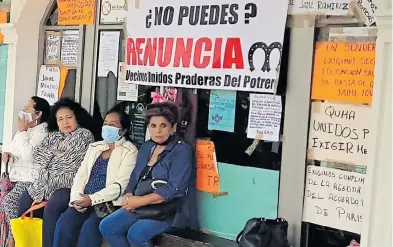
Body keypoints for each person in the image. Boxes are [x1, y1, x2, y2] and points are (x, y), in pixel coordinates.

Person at [99, 102, 193, 247]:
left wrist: (138, 201)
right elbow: (135, 176)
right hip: (141, 204)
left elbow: (174, 188)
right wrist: (129, 195)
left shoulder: (182, 150)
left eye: (163, 125)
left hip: (168, 210)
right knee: (107, 227)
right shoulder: (147, 146)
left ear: (173, 127)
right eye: (153, 126)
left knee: (136, 234)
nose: (158, 131)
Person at [53, 107, 138, 247]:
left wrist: (92, 199)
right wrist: (76, 198)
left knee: (88, 232)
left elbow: (119, 186)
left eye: (113, 125)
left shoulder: (129, 151)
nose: (107, 127)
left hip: (107, 205)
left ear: (123, 130)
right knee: (64, 224)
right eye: (105, 123)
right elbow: (81, 175)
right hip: (84, 200)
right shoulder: (95, 147)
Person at [16, 99, 96, 247]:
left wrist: (52, 156)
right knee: (23, 201)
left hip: (66, 186)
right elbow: (36, 154)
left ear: (76, 117)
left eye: (69, 117)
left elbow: (68, 162)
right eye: (60, 119)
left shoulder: (84, 135)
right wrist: (56, 154)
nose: (65, 122)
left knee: (53, 205)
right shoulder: (53, 135)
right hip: (42, 186)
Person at [1, 97, 50, 247]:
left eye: (28, 109)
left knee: (9, 202)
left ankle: (12, 238)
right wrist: (7, 156)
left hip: (31, 180)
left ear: (38, 114)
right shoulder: (23, 132)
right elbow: (17, 151)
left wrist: (22, 132)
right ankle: (10, 237)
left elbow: (30, 155)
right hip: (16, 177)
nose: (23, 112)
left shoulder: (43, 132)